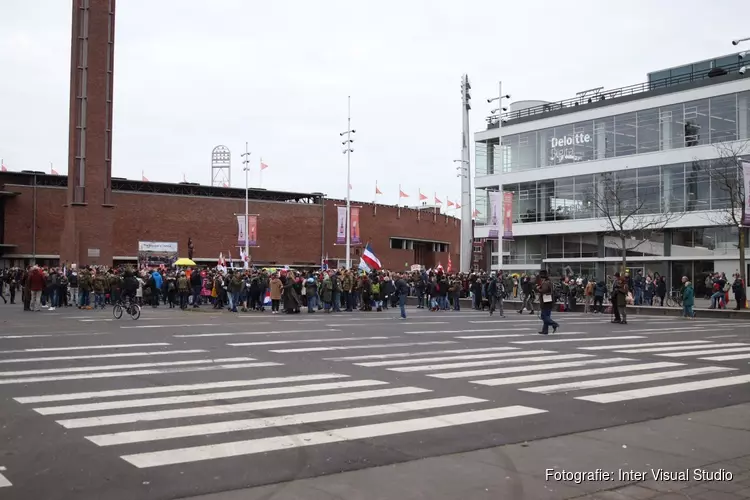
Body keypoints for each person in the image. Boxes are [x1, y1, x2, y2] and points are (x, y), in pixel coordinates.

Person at [536, 269, 558, 335]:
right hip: (549, 301)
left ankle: (554, 324)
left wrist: (538, 289)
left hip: (546, 301)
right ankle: (545, 330)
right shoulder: (549, 282)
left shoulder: (545, 282)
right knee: (547, 315)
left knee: (543, 316)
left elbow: (544, 290)